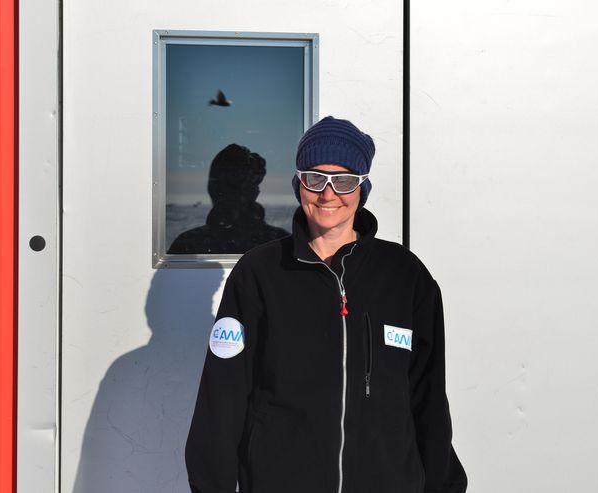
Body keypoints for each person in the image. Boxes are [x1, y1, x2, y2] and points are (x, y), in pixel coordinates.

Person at [185, 117, 467, 493]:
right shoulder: (259, 274)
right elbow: (223, 398)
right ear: (299, 184)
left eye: (344, 181)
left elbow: (428, 396)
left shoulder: (405, 275)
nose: (328, 194)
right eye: (315, 179)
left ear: (362, 188)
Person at [168, 143, 289, 255]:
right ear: (254, 191)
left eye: (215, 182)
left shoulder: (189, 244)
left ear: (214, 189)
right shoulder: (282, 243)